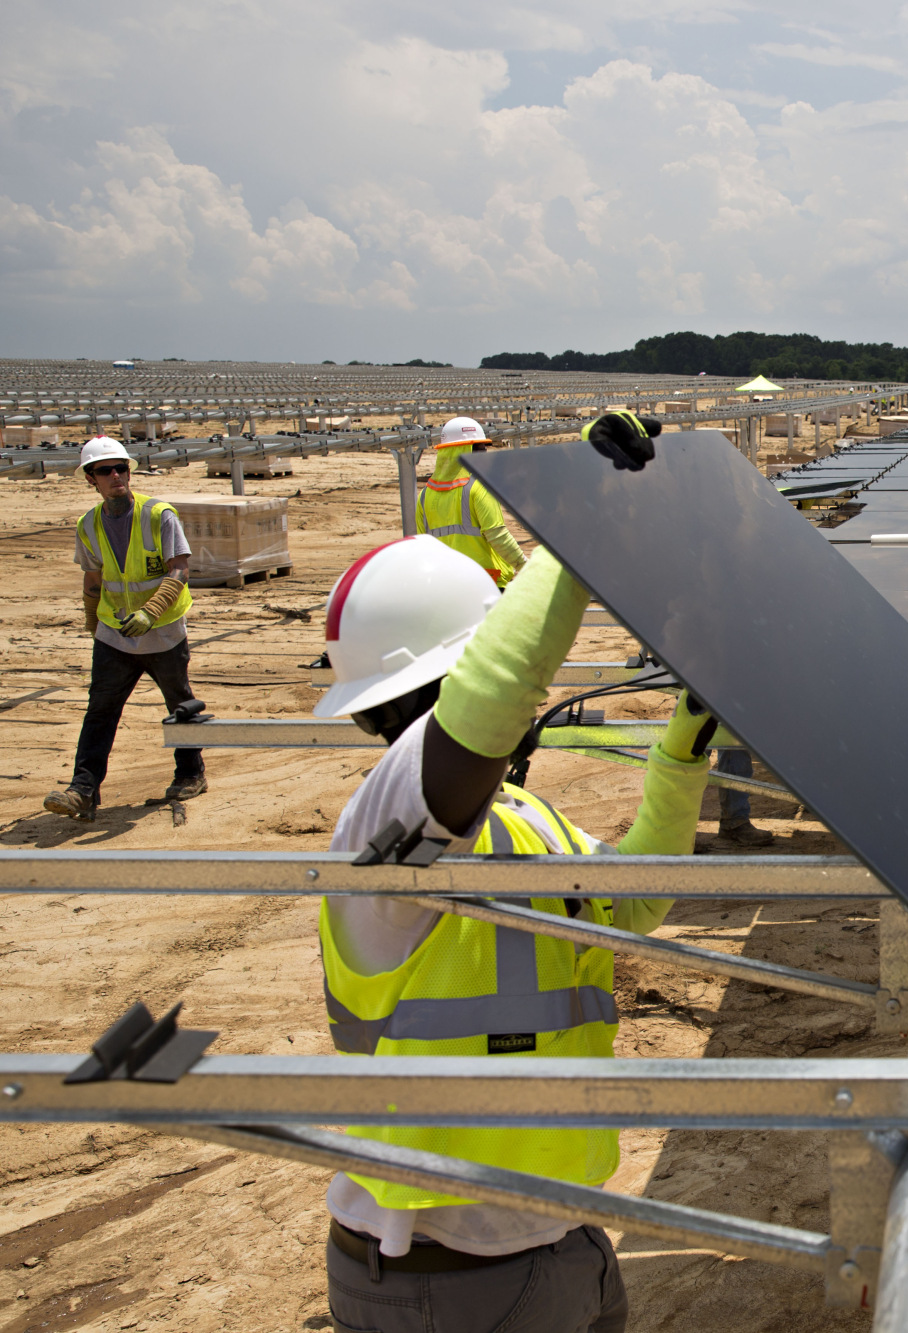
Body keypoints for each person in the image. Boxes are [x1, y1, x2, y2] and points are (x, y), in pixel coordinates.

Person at [313, 411, 698, 1333]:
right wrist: (576, 539)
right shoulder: (384, 822)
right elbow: (484, 710)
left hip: (553, 1241)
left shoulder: (522, 821)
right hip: (447, 1277)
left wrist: (682, 753)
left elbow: (631, 905)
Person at [44, 437, 205, 821]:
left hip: (162, 631)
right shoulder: (89, 524)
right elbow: (93, 579)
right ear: (90, 479)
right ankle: (83, 789)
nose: (116, 476)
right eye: (105, 470)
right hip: (114, 634)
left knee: (179, 703)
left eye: (121, 468)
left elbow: (180, 569)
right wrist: (91, 622)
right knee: (100, 709)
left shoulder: (158, 514)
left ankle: (190, 773)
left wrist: (150, 612)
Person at [418, 417, 528, 586]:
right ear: (463, 451)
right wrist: (526, 566)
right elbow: (498, 536)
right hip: (485, 583)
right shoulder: (479, 488)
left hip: (445, 585)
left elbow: (423, 546)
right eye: (480, 450)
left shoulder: (425, 495)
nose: (485, 456)